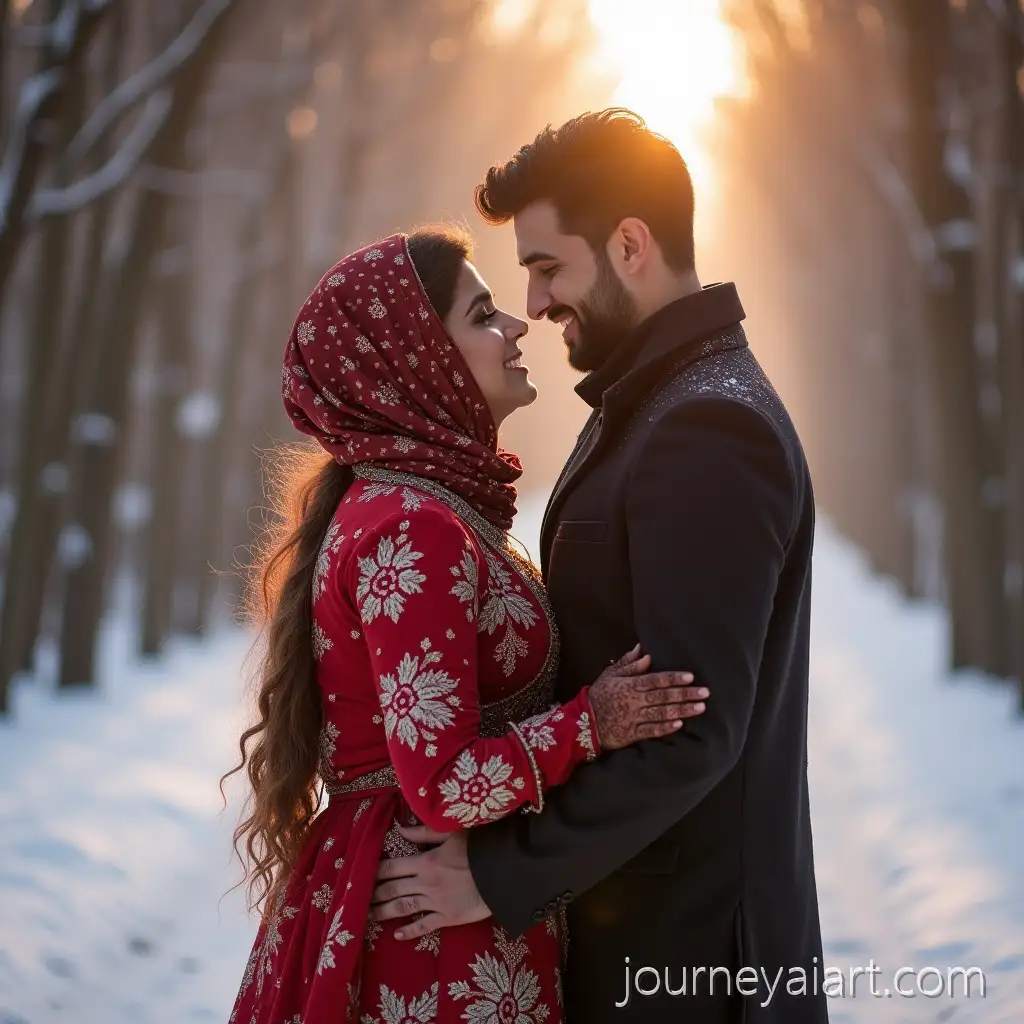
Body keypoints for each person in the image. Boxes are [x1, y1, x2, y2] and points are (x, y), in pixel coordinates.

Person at [370, 110, 829, 1023]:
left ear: (628, 244)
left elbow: (692, 729)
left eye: (546, 266)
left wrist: (496, 875)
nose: (533, 304)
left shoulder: (704, 428)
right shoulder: (657, 398)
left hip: (686, 959)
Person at [224, 225, 710, 1024]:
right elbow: (444, 782)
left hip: (425, 900)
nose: (518, 326)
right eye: (483, 315)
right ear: (418, 358)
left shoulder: (420, 506)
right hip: (426, 931)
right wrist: (595, 723)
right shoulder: (413, 525)